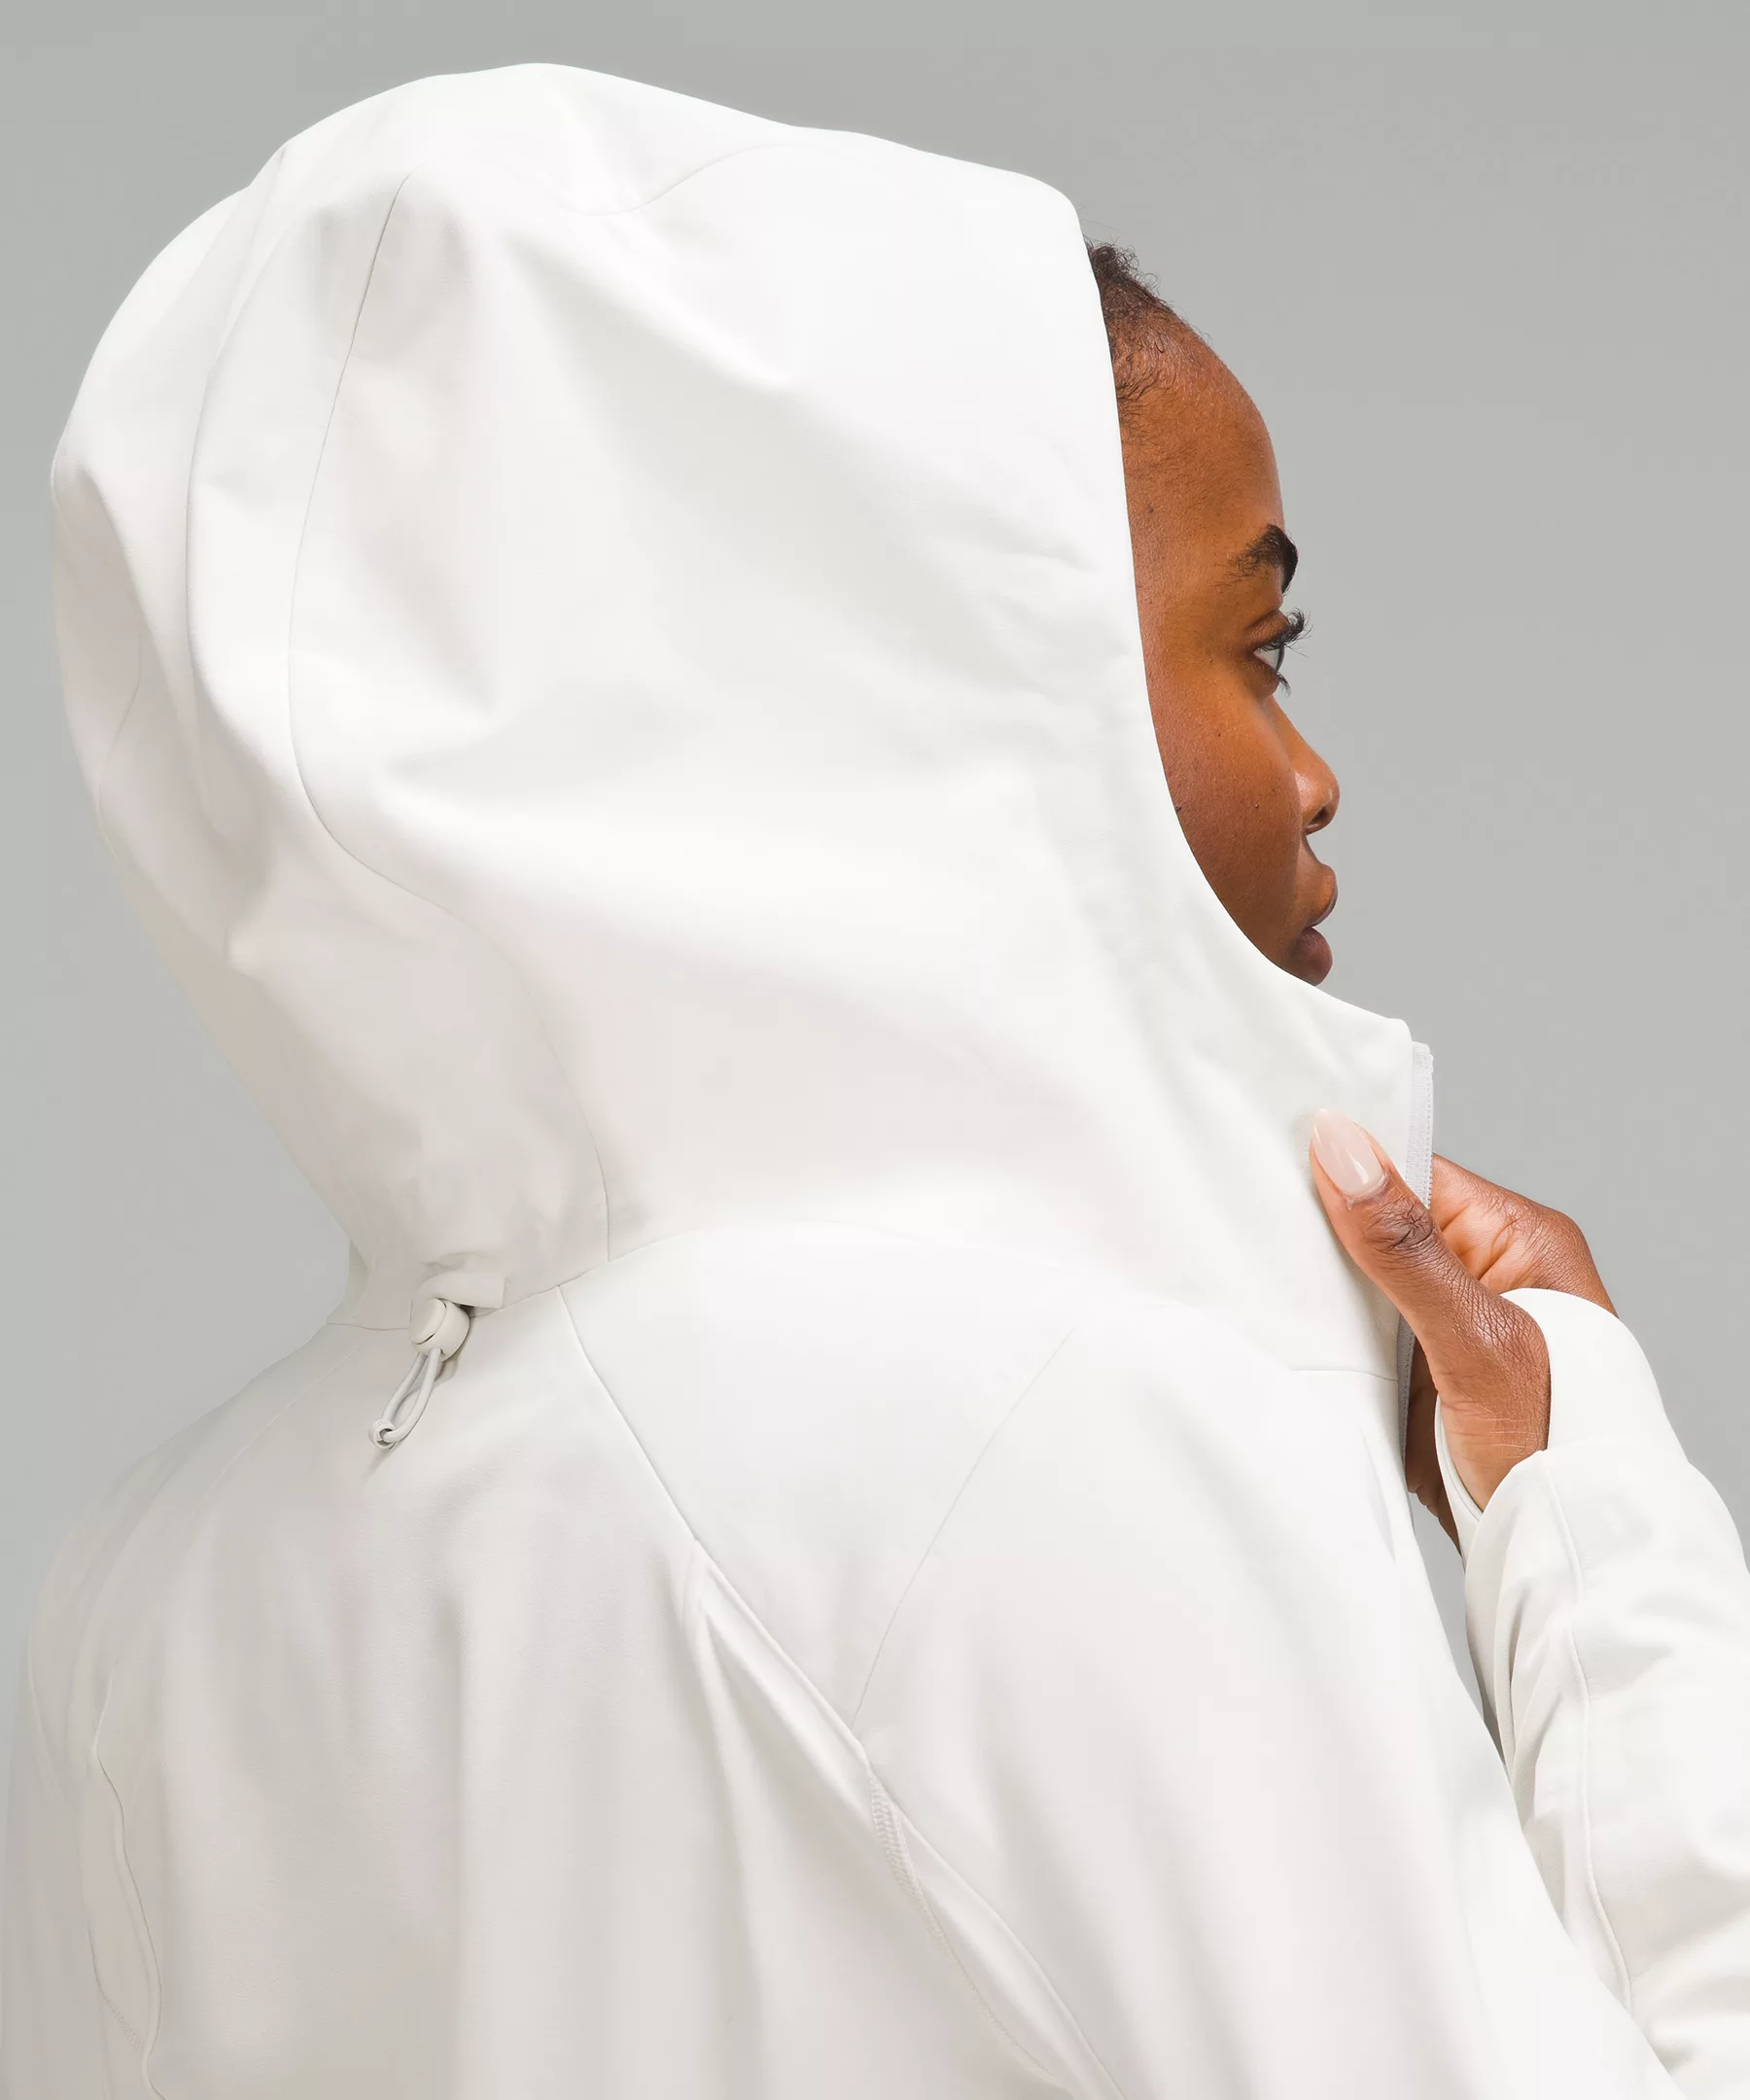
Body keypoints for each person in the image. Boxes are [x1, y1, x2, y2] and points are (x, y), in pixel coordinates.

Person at [6, 64, 1748, 2100]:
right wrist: (1592, 1522)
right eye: (1261, 647)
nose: (1315, 776)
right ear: (955, 688)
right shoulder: (1053, 1457)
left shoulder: (140, 1608)